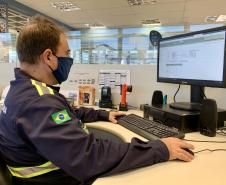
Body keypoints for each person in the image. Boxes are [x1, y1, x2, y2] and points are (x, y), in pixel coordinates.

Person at [0, 16, 194, 185]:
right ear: (49, 57)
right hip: (60, 179)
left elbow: (65, 115)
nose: (70, 58)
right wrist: (160, 148)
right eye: (67, 53)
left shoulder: (19, 90)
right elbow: (89, 157)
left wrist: (102, 113)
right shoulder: (38, 102)